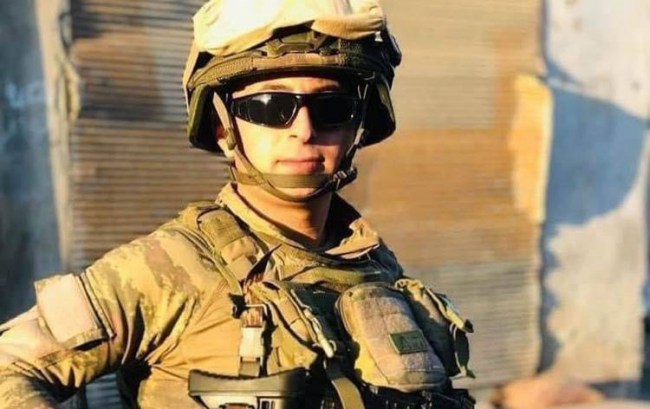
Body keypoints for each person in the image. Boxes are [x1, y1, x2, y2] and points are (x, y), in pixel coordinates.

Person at [0, 0, 475, 408]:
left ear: (359, 125)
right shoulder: (168, 268)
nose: (303, 130)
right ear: (223, 125)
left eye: (332, 108)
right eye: (269, 107)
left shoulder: (376, 267)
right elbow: (10, 368)